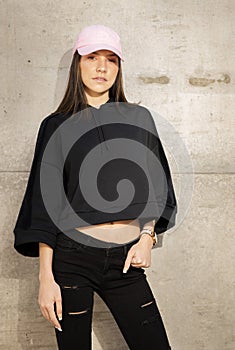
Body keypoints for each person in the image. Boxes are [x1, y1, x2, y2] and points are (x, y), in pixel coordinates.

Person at [13, 24, 177, 350]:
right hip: (71, 260)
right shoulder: (55, 125)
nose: (102, 67)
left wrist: (146, 238)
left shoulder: (139, 118)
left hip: (125, 260)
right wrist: (46, 279)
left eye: (111, 59)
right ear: (78, 64)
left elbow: (157, 186)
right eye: (92, 57)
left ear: (119, 67)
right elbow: (45, 204)